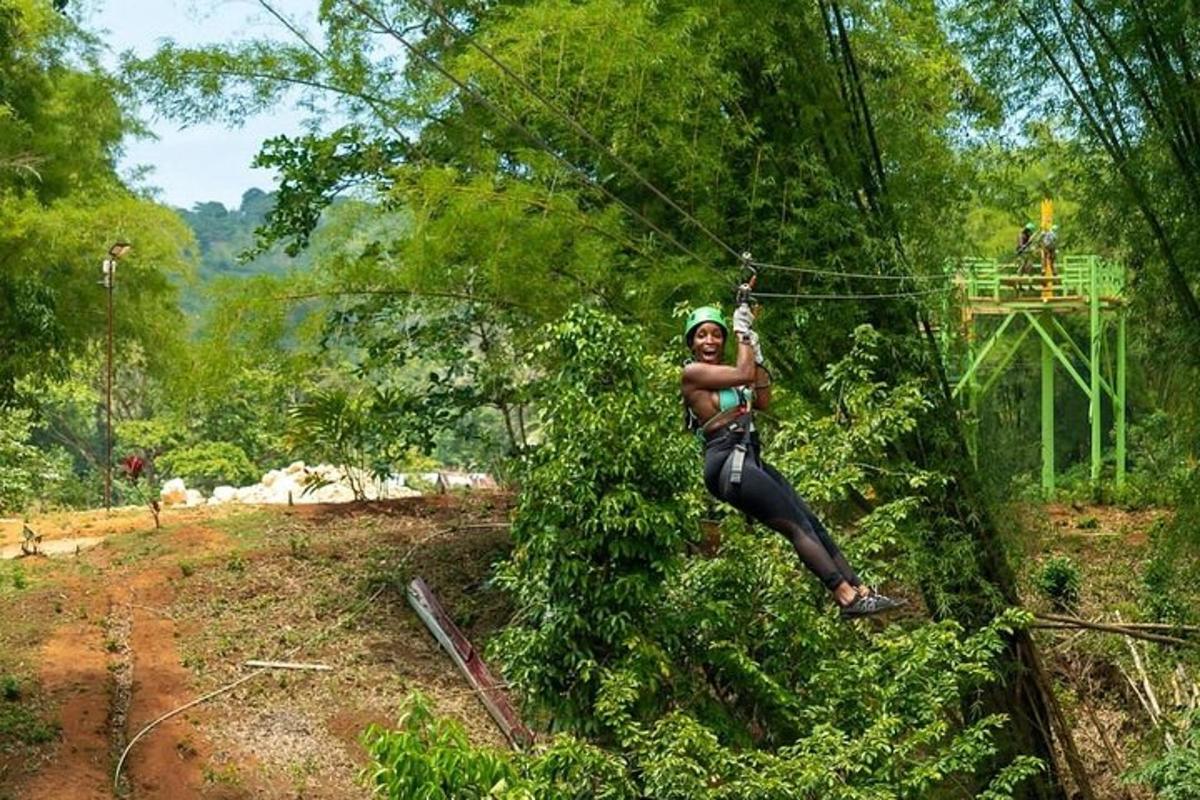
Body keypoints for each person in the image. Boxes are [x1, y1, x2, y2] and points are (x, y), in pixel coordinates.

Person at [680, 302, 904, 618]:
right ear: (691, 343)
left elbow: (763, 399)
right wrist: (743, 332)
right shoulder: (692, 373)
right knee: (796, 525)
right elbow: (742, 374)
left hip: (747, 456)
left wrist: (757, 356)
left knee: (810, 520)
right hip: (728, 460)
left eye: (717, 335)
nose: (710, 342)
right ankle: (845, 597)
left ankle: (860, 588)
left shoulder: (727, 372)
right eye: (701, 336)